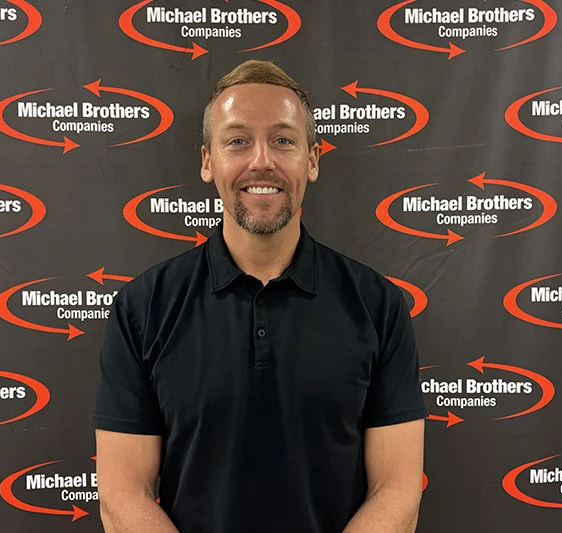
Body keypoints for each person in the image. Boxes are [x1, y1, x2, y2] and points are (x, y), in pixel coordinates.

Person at [92, 60, 427, 533]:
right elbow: (123, 495)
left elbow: (396, 491)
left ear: (312, 159)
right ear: (208, 161)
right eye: (237, 141)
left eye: (283, 140)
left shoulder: (378, 307)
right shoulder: (142, 308)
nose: (261, 161)